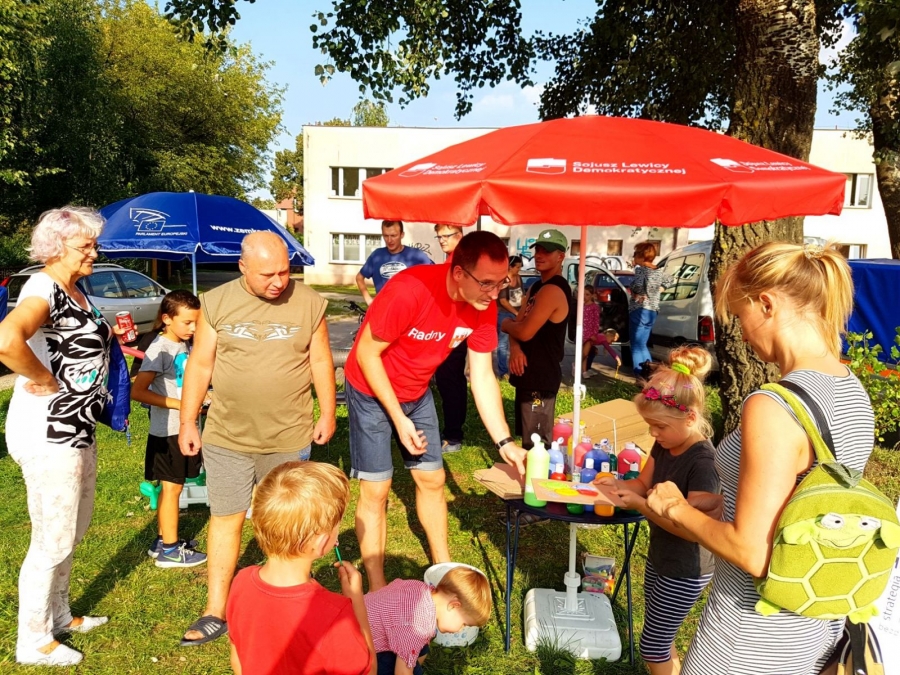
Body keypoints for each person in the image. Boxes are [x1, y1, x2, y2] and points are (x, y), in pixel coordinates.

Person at [645, 241, 875, 674]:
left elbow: (752, 551)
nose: (741, 333)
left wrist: (675, 507)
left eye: (739, 314)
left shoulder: (774, 406)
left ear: (766, 304)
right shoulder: (852, 391)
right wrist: (725, 502)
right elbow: (809, 504)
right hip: (814, 627)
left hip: (747, 636)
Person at [344, 230, 527, 591]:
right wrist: (398, 419)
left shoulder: (483, 304)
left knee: (432, 479)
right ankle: (377, 586)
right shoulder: (409, 290)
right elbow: (366, 354)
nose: (495, 294)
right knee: (377, 488)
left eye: (501, 283)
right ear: (458, 273)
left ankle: (443, 569)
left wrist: (505, 442)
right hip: (370, 389)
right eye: (487, 283)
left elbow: (482, 375)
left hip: (416, 391)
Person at [178, 231, 337, 646]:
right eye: (268, 274)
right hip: (227, 436)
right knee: (225, 518)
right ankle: (215, 609)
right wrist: (188, 421)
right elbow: (200, 364)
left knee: (286, 525)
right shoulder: (216, 302)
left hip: (288, 435)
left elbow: (321, 359)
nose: (279, 282)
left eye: (285, 272)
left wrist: (328, 411)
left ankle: (284, 605)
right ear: (242, 267)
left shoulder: (309, 303)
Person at [0, 207, 116, 666]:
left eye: (94, 244)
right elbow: (7, 340)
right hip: (49, 432)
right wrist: (44, 379)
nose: (94, 253)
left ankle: (60, 615)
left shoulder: (74, 290)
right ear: (56, 246)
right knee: (52, 537)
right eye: (85, 245)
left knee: (72, 529)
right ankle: (32, 641)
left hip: (76, 428)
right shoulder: (43, 287)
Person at [595, 346, 720, 675]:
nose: (652, 433)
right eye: (650, 425)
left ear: (690, 418)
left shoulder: (703, 462)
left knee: (652, 645)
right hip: (662, 556)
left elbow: (693, 528)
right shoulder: (667, 442)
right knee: (661, 636)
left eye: (659, 426)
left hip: (687, 568)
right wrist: (617, 485)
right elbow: (642, 483)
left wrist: (640, 505)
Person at [226, 461, 376, 675]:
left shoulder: (240, 582)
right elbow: (369, 670)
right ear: (322, 542)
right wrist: (356, 601)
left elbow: (238, 660)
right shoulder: (333, 613)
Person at [131, 290, 207, 568]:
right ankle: (171, 552)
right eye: (187, 322)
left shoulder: (182, 344)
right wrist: (181, 404)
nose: (193, 328)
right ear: (166, 319)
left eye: (196, 322)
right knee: (173, 489)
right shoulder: (159, 348)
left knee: (170, 487)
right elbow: (138, 391)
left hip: (180, 428)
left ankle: (163, 540)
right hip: (168, 432)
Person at [502, 229, 572, 449]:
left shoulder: (554, 289)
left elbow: (523, 330)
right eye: (538, 250)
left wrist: (505, 325)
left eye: (547, 251)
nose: (540, 255)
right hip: (527, 371)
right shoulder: (535, 286)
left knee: (537, 444)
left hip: (541, 375)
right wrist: (515, 348)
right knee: (528, 440)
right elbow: (519, 323)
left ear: (560, 256)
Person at [365, 566, 491, 675]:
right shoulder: (416, 627)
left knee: (423, 645)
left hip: (364, 618)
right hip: (363, 647)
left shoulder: (421, 589)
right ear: (454, 606)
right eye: (464, 624)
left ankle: (412, 661)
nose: (460, 629)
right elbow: (402, 673)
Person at [432, 223, 467, 453]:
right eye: (439, 236)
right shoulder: (450, 260)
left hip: (455, 330)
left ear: (460, 235)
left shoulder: (460, 261)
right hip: (446, 329)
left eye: (447, 235)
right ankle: (451, 431)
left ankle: (453, 436)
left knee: (451, 381)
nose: (442, 240)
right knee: (448, 381)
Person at [356, 220, 433, 306]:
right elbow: (359, 278)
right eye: (386, 236)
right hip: (383, 310)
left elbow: (435, 276)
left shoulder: (415, 255)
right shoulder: (377, 255)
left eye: (393, 236)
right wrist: (369, 300)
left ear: (402, 235)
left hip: (409, 310)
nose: (389, 240)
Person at [629, 242, 673, 380]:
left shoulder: (641, 270)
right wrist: (659, 291)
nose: (633, 257)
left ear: (641, 256)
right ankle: (651, 375)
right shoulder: (658, 270)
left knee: (636, 346)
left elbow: (637, 286)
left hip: (639, 310)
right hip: (652, 311)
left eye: (635, 254)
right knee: (643, 345)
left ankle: (640, 376)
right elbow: (670, 279)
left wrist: (637, 293)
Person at [579, 286, 621, 378]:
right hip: (582, 332)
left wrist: (593, 334)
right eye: (583, 294)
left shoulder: (594, 307)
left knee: (585, 354)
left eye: (587, 294)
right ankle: (583, 370)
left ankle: (580, 367)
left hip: (589, 334)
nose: (584, 296)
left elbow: (596, 322)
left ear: (592, 295)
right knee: (584, 353)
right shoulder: (581, 306)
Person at [496, 255, 524, 381]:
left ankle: (517, 368)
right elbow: (503, 301)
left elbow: (522, 295)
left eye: (520, 267)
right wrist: (516, 313)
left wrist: (523, 311)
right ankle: (503, 372)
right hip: (504, 313)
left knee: (519, 342)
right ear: (510, 267)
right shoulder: (504, 280)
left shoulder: (519, 278)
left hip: (518, 312)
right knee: (503, 344)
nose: (519, 270)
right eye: (517, 267)